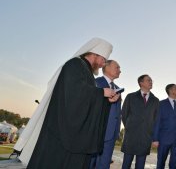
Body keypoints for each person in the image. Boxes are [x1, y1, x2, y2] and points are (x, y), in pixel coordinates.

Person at [14, 38, 119, 168]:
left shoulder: (88, 73)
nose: (104, 64)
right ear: (95, 54)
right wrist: (101, 93)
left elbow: (88, 100)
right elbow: (75, 93)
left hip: (74, 136)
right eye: (103, 59)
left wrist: (106, 101)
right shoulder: (74, 65)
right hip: (61, 135)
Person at [121, 74, 160, 169]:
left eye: (151, 80)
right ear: (141, 83)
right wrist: (130, 127)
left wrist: (153, 135)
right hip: (131, 136)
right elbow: (124, 114)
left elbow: (156, 119)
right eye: (148, 80)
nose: (151, 82)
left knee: (140, 165)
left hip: (145, 137)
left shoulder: (155, 100)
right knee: (126, 164)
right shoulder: (131, 96)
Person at [90, 60, 122, 169]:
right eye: (117, 67)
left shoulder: (118, 88)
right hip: (95, 132)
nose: (120, 70)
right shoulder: (95, 82)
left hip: (111, 134)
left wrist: (116, 131)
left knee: (104, 165)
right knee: (89, 163)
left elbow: (118, 113)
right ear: (106, 67)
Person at [152, 84, 176, 169]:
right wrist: (155, 139)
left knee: (175, 164)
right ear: (171, 91)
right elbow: (157, 121)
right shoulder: (161, 104)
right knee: (160, 163)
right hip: (163, 139)